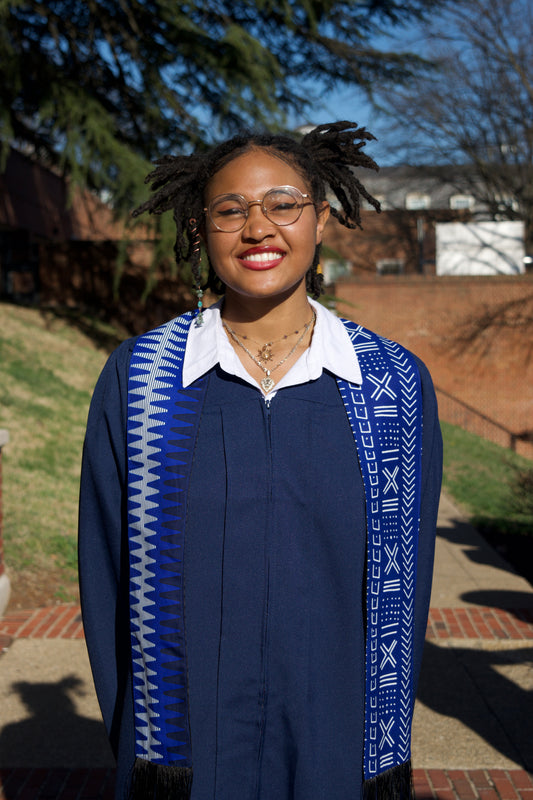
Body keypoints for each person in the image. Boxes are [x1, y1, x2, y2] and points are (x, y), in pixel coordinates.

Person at [78, 121, 442, 800]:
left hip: (337, 736)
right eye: (230, 210)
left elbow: (409, 581)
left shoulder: (392, 384)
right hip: (189, 745)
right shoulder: (141, 381)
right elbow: (106, 575)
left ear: (321, 218)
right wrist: (135, 738)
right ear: (199, 229)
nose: (257, 228)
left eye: (282, 204)